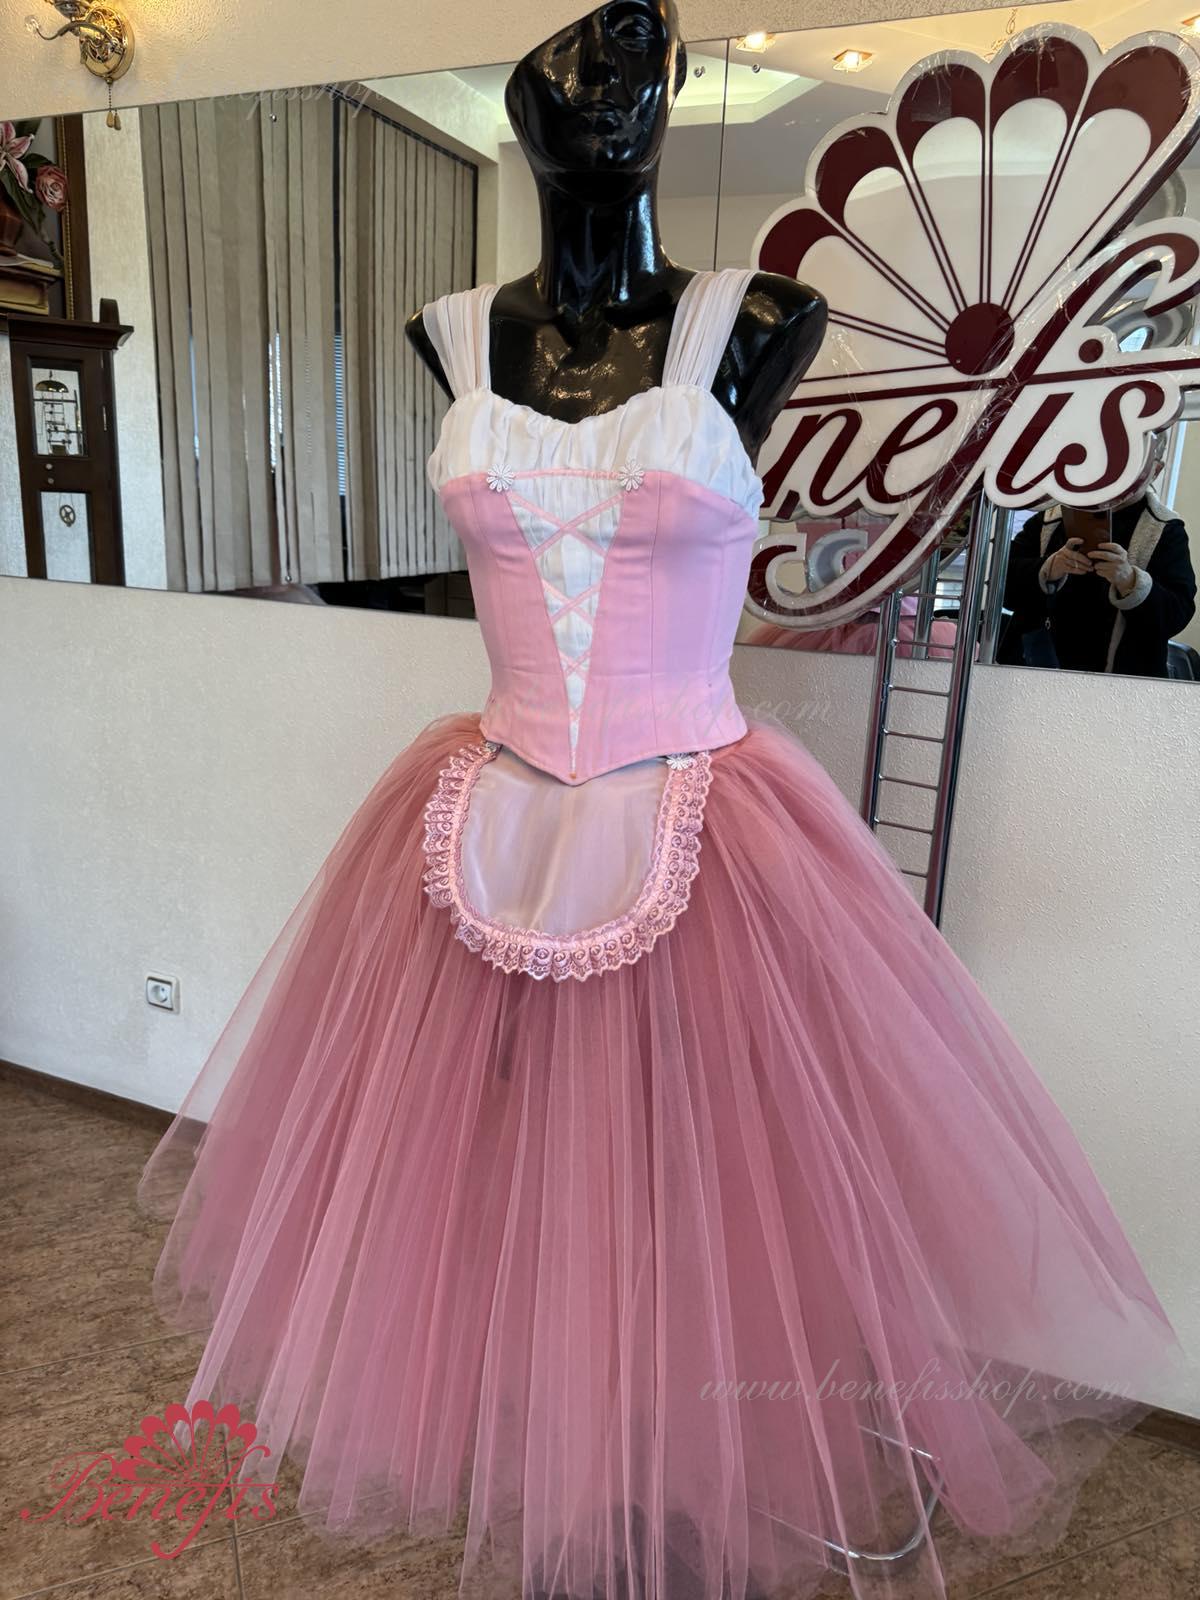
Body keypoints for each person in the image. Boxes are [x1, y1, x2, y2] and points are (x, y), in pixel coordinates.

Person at [138, 6, 1184, 1599]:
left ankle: (689, 1469)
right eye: (571, 72)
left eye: (635, 70)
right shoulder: (454, 333)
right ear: (521, 115)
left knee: (713, 1183)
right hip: (488, 809)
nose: (603, 99)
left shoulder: (756, 318)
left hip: (709, 819)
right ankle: (566, 1456)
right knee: (492, 1177)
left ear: (671, 105)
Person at [1001, 483, 1196, 676]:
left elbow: (1177, 615)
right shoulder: (1052, 517)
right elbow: (1001, 588)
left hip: (1118, 684)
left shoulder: (1166, 529)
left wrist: (1130, 581)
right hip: (1031, 671)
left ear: (1156, 470)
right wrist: (1049, 568)